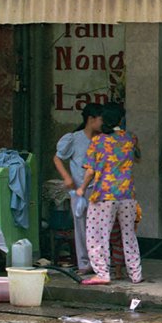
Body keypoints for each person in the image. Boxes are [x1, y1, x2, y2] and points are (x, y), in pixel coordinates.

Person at [81, 103, 144, 286]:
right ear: (121, 119)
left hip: (104, 195)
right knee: (129, 235)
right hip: (127, 195)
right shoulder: (130, 138)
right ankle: (136, 274)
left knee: (97, 236)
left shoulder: (98, 141)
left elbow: (90, 171)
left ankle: (102, 273)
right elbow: (138, 157)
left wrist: (81, 189)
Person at [51, 104, 103, 278]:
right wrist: (67, 177)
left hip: (99, 189)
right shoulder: (74, 138)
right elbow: (57, 158)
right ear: (91, 119)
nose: (102, 123)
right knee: (80, 225)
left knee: (98, 227)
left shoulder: (102, 139)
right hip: (79, 190)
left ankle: (99, 262)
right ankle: (84, 262)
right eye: (100, 119)